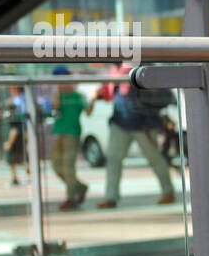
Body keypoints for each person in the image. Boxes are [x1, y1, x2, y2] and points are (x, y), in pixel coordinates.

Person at [89, 61, 176, 209]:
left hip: (143, 124)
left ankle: (168, 191)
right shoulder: (115, 69)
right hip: (120, 121)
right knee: (113, 159)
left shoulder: (144, 65)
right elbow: (110, 93)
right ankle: (111, 197)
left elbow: (161, 94)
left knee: (154, 158)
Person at [49, 66, 88, 209]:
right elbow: (55, 107)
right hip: (59, 133)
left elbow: (88, 111)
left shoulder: (78, 96)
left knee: (68, 167)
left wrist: (95, 98)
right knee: (56, 165)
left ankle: (70, 198)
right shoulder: (58, 94)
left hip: (72, 134)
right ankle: (79, 187)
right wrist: (58, 91)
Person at [2, 86, 30, 187]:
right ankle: (16, 178)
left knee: (17, 158)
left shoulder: (22, 101)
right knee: (15, 159)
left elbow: (15, 130)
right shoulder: (16, 101)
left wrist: (9, 142)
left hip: (19, 134)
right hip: (20, 133)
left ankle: (30, 173)